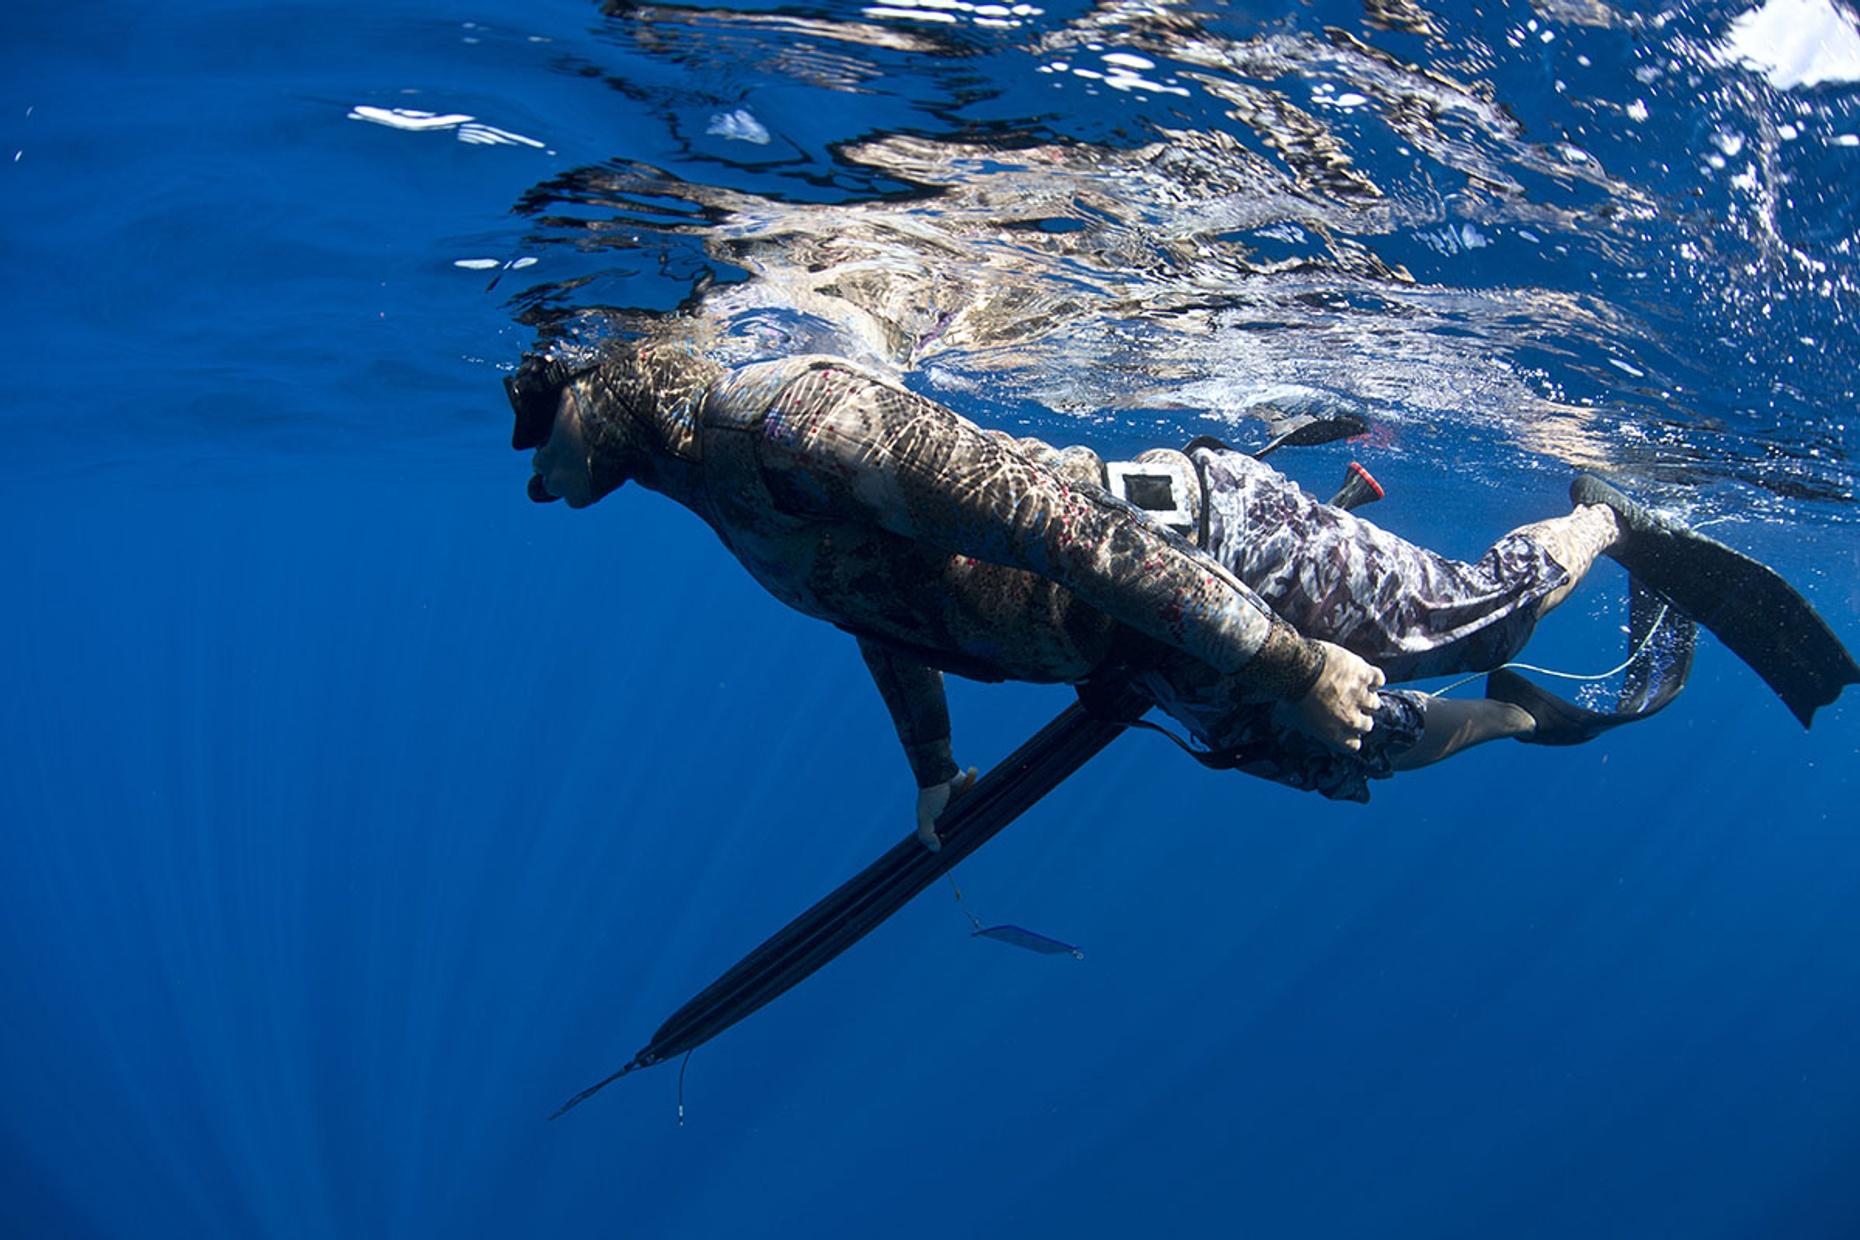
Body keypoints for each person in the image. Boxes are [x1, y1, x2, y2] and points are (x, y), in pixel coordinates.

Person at [508, 333, 1855, 848]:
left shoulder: (793, 422)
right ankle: (1522, 716)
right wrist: (933, 768)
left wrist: (1283, 656)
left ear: (594, 378)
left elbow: (1072, 532)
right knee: (1358, 754)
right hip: (1138, 650)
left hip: (1201, 550)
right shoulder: (722, 496)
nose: (534, 476)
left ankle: (1604, 514)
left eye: (532, 424)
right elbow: (877, 605)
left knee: (1469, 620)